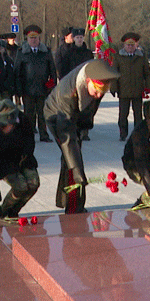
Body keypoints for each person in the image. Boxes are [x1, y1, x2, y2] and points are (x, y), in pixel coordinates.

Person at [44, 59, 119, 214]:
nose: (98, 96)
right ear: (87, 81)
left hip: (75, 117)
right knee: (72, 159)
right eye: (96, 91)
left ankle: (72, 203)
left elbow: (91, 106)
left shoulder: (97, 75)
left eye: (102, 92)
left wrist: (85, 126)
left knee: (72, 159)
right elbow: (67, 138)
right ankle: (72, 207)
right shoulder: (68, 94)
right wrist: (78, 170)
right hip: (56, 116)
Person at [0, 99, 39, 219]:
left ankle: (14, 210)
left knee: (34, 183)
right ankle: (3, 210)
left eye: (12, 125)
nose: (10, 128)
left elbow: (29, 142)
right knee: (21, 186)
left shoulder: (22, 119)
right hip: (3, 161)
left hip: (22, 157)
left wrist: (24, 159)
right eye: (6, 126)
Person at [14, 25, 56, 142]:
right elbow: (17, 72)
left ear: (39, 39)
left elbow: (52, 70)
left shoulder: (46, 52)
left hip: (43, 89)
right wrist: (18, 89)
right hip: (27, 89)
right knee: (28, 114)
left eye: (36, 38)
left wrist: (51, 85)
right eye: (31, 38)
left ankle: (44, 134)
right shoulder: (22, 52)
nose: (33, 40)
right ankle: (29, 135)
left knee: (43, 113)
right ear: (27, 39)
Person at [112, 32, 150, 141]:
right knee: (123, 115)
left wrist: (148, 87)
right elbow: (114, 73)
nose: (130, 47)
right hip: (123, 91)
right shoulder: (118, 57)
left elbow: (147, 73)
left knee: (138, 115)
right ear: (124, 45)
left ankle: (138, 134)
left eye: (132, 45)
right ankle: (123, 133)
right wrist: (113, 88)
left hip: (137, 90)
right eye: (128, 45)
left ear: (136, 45)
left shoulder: (141, 57)